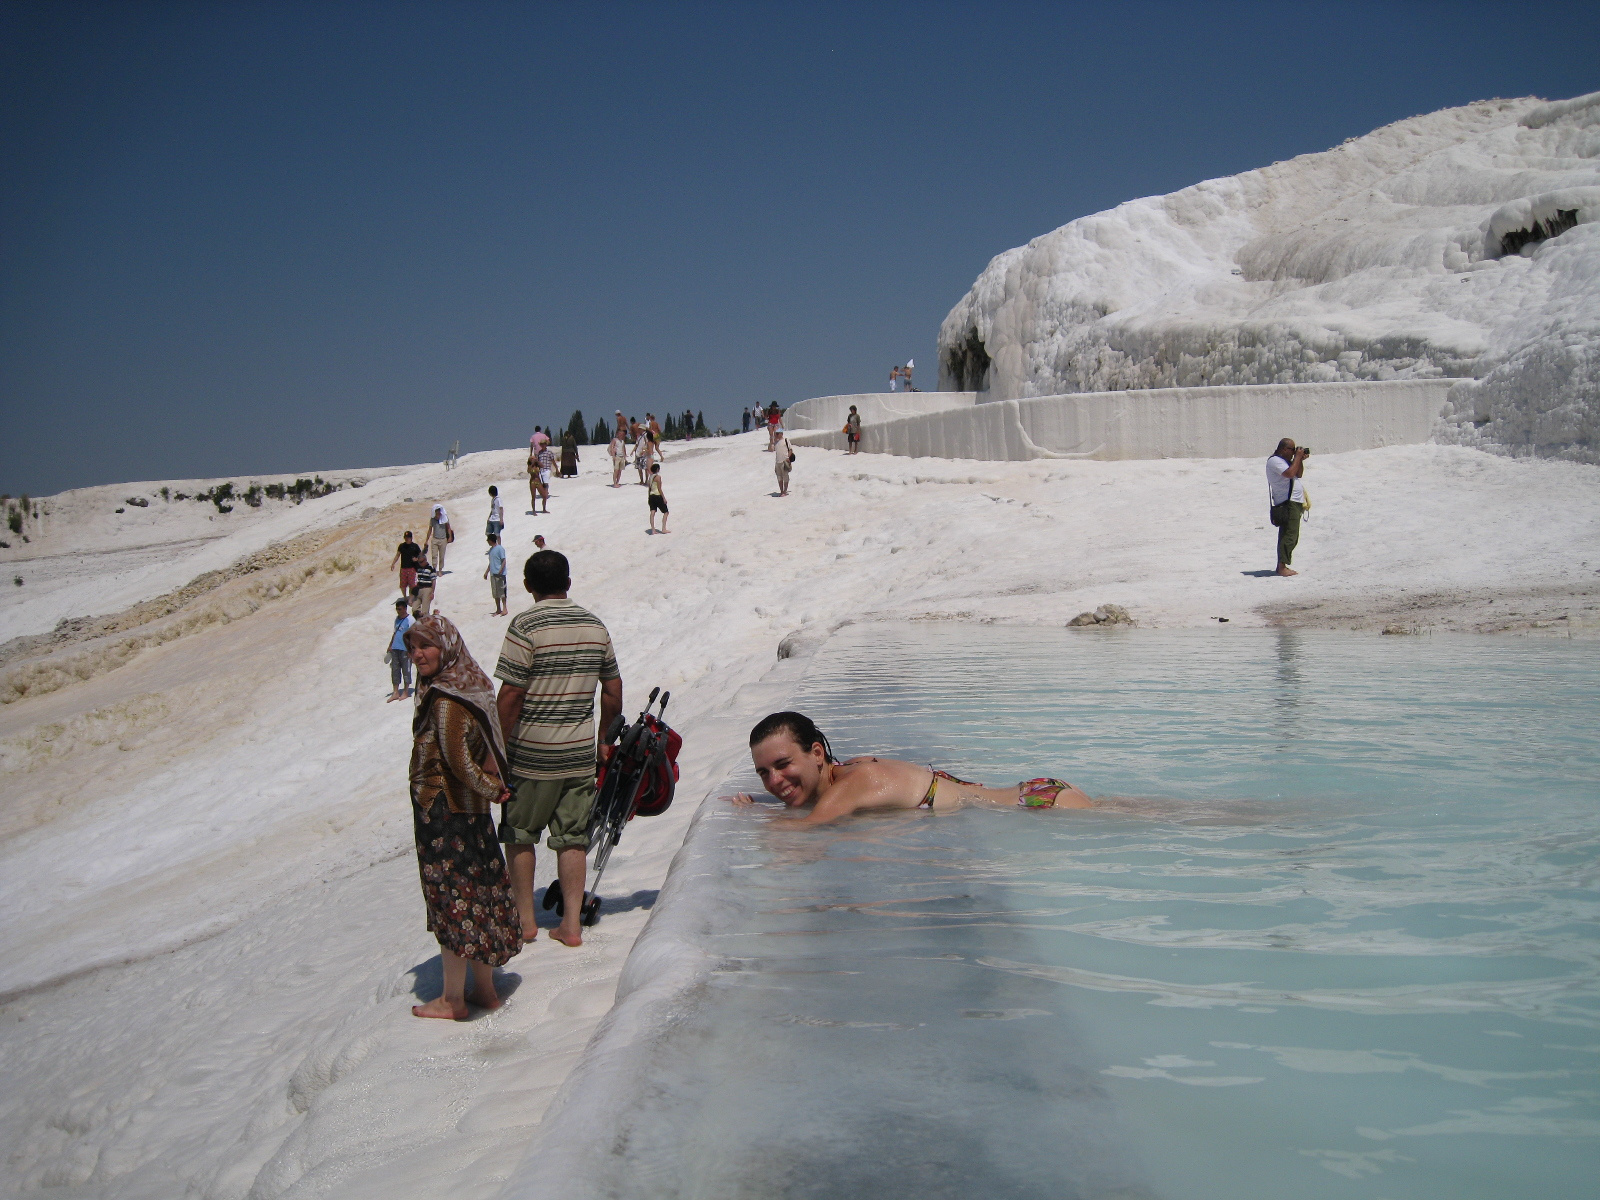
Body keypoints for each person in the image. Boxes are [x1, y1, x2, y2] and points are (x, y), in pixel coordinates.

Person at [494, 550, 623, 948]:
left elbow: (512, 694)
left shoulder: (525, 625)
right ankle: (570, 925)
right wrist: (604, 740)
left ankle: (526, 922)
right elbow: (613, 688)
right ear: (568, 582)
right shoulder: (593, 626)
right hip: (578, 755)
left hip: (530, 756)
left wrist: (497, 749)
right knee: (573, 838)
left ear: (528, 585)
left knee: (519, 834)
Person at [405, 613, 522, 1018]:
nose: (418, 654)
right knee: (478, 895)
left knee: (451, 902)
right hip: (470, 815)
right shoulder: (471, 686)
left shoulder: (444, 699)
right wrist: (492, 792)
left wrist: (495, 790)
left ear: (446, 647)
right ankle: (486, 991)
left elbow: (458, 763)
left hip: (444, 816)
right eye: (413, 647)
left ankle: (453, 999)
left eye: (426, 646)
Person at [730, 712, 1091, 825]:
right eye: (763, 772)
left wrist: (752, 816)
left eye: (782, 765)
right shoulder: (846, 777)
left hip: (1040, 805)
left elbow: (800, 834)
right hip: (1035, 795)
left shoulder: (853, 783)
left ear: (817, 753)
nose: (773, 780)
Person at [1266, 438, 1309, 577]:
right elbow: (1290, 474)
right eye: (1292, 449)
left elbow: (1298, 474)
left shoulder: (1285, 461)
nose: (1293, 452)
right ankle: (1281, 566)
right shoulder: (1275, 461)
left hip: (1294, 502)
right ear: (1284, 449)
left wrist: (1299, 460)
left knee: (1292, 534)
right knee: (1289, 535)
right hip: (1287, 503)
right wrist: (1297, 457)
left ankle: (1282, 564)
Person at [386, 597, 415, 702]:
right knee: (395, 670)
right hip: (396, 648)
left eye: (400, 609)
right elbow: (395, 632)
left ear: (405, 609)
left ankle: (406, 692)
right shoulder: (397, 619)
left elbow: (413, 635)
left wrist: (411, 650)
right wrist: (390, 645)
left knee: (406, 669)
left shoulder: (410, 620)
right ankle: (396, 692)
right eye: (397, 609)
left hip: (405, 649)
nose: (398, 611)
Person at [390, 530, 423, 597]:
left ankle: (411, 597)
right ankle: (405, 597)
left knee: (412, 584)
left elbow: (421, 556)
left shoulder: (415, 546)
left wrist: (417, 559)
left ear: (411, 538)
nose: (406, 538)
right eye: (405, 537)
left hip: (412, 568)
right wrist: (393, 563)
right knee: (403, 585)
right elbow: (397, 555)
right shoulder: (401, 546)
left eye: (408, 537)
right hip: (403, 568)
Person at [484, 532, 508, 616]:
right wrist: (487, 572)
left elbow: (503, 560)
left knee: (502, 591)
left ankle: (505, 608)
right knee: (495, 592)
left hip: (499, 574)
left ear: (491, 540)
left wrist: (501, 570)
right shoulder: (491, 550)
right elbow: (491, 562)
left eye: (488, 540)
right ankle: (498, 609)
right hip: (493, 574)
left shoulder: (500, 548)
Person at [423, 505, 452, 573]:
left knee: (442, 556)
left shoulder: (444, 518)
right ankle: (434, 569)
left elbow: (448, 528)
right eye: (437, 512)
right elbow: (430, 530)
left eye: (439, 511)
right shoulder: (433, 519)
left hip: (443, 539)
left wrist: (450, 537)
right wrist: (426, 540)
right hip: (435, 539)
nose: (438, 513)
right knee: (434, 556)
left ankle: (440, 570)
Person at [647, 462, 669, 534]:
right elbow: (659, 489)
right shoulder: (657, 477)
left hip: (651, 496)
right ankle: (664, 528)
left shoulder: (650, 477)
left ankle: (653, 529)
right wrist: (664, 498)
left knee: (652, 512)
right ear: (657, 469)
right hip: (657, 496)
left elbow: (649, 488)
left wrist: (649, 497)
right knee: (666, 512)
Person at [535, 441, 556, 513]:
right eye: (541, 444)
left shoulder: (549, 452)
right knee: (542, 484)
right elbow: (537, 461)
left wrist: (557, 469)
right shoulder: (539, 453)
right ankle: (544, 493)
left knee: (546, 483)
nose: (542, 445)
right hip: (541, 470)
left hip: (547, 469)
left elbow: (553, 461)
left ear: (546, 445)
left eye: (543, 444)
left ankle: (545, 495)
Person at [773, 427, 794, 496]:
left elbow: (790, 449)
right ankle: (781, 491)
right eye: (776, 434)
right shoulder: (776, 442)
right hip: (778, 462)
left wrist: (788, 457)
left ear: (781, 433)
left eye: (777, 434)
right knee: (779, 477)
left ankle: (785, 491)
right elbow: (772, 449)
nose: (776, 435)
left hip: (784, 461)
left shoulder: (786, 440)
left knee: (785, 476)